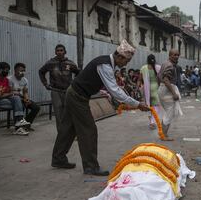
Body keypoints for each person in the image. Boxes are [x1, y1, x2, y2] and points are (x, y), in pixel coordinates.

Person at [51, 40, 149, 175]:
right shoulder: (105, 65)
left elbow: (115, 89)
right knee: (88, 130)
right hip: (77, 96)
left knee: (68, 128)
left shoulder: (106, 63)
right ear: (119, 57)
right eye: (126, 61)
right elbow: (114, 90)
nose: (125, 64)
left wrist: (133, 102)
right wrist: (137, 104)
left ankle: (58, 158)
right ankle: (90, 166)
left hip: (74, 93)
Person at [39, 44, 79, 131]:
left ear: (65, 52)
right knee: (58, 112)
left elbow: (78, 73)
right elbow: (41, 72)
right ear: (55, 52)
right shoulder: (50, 63)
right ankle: (61, 134)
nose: (59, 52)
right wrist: (45, 84)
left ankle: (71, 132)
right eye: (58, 50)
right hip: (55, 90)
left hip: (68, 91)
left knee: (69, 112)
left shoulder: (70, 63)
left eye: (61, 50)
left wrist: (74, 85)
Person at [0, 62, 30, 135]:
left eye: (8, 70)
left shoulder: (6, 80)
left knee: (18, 100)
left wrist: (12, 93)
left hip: (3, 101)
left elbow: (7, 93)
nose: (6, 72)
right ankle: (19, 124)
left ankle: (19, 126)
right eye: (5, 70)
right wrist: (11, 93)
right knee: (18, 102)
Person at [158, 49, 183, 140]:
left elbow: (160, 77)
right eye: (174, 55)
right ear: (170, 55)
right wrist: (174, 93)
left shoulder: (165, 63)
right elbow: (165, 80)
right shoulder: (169, 65)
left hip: (163, 89)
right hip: (167, 89)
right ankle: (163, 135)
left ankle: (163, 134)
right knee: (169, 112)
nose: (176, 56)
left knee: (168, 112)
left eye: (178, 55)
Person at [9, 63, 40, 129]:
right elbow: (9, 92)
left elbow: (25, 91)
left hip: (22, 98)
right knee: (20, 105)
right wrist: (22, 99)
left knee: (36, 107)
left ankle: (26, 124)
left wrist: (26, 99)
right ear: (15, 71)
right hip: (13, 99)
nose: (22, 73)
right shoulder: (10, 79)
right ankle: (18, 127)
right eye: (20, 71)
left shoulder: (25, 80)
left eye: (23, 71)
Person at [138, 54, 161, 129]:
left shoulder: (143, 68)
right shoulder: (158, 67)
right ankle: (152, 122)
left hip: (147, 89)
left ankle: (152, 121)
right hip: (156, 88)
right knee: (156, 106)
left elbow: (139, 79)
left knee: (149, 105)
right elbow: (161, 79)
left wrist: (137, 87)